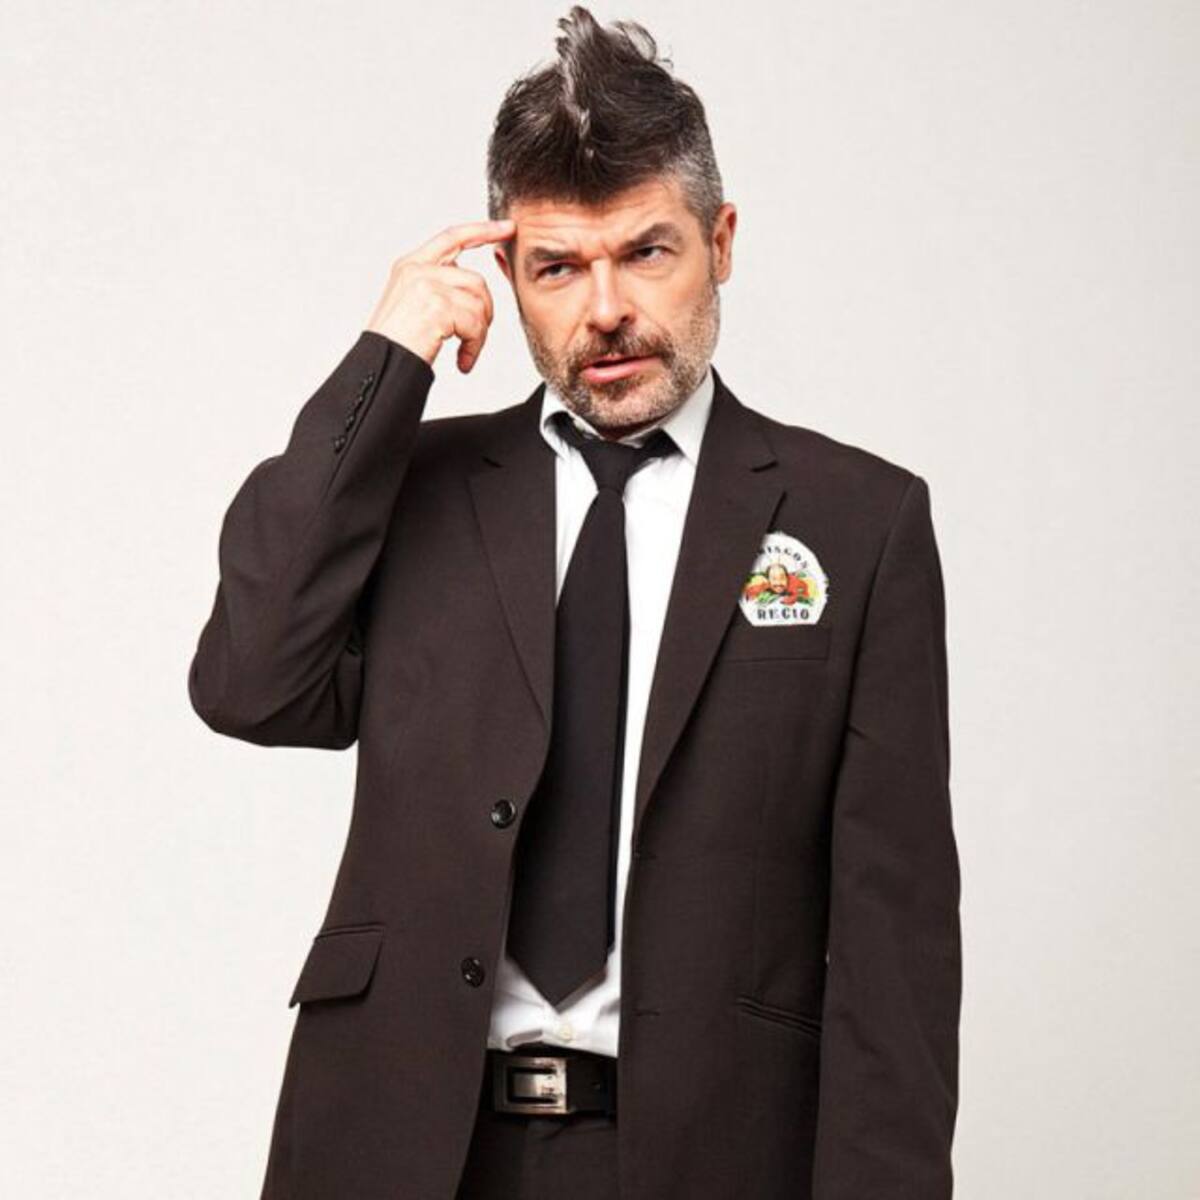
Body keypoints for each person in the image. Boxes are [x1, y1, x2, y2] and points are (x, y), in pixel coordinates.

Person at [187, 6, 961, 1198]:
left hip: (707, 1158)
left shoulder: (860, 524)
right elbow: (250, 683)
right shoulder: (419, 492)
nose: (604, 311)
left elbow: (894, 952)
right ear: (507, 275)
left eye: (646, 253)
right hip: (405, 1152)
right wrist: (384, 363)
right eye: (558, 267)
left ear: (721, 241)